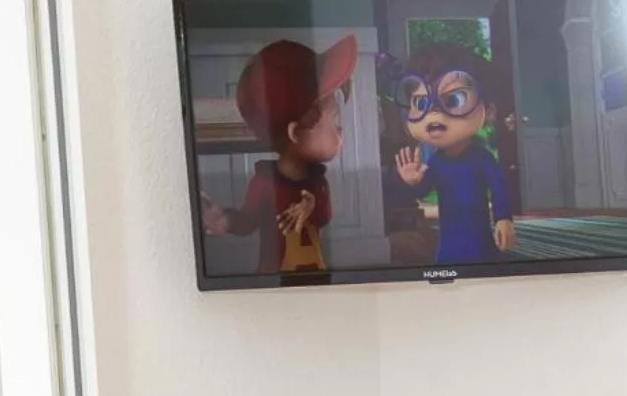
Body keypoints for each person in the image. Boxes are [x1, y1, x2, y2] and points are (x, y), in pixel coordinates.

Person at [201, 34, 356, 273]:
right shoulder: (264, 182)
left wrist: (312, 207)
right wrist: (227, 221)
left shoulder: (316, 180)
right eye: (333, 120)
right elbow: (248, 221)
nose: (341, 129)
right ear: (295, 133)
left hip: (317, 279)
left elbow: (325, 217)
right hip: (274, 283)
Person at [394, 42, 515, 263]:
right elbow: (425, 188)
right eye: (421, 102)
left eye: (453, 100)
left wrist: (503, 218)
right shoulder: (437, 162)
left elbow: (499, 188)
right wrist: (413, 180)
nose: (434, 111)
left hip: (479, 241)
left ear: (487, 111)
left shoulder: (482, 158)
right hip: (449, 242)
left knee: (481, 265)